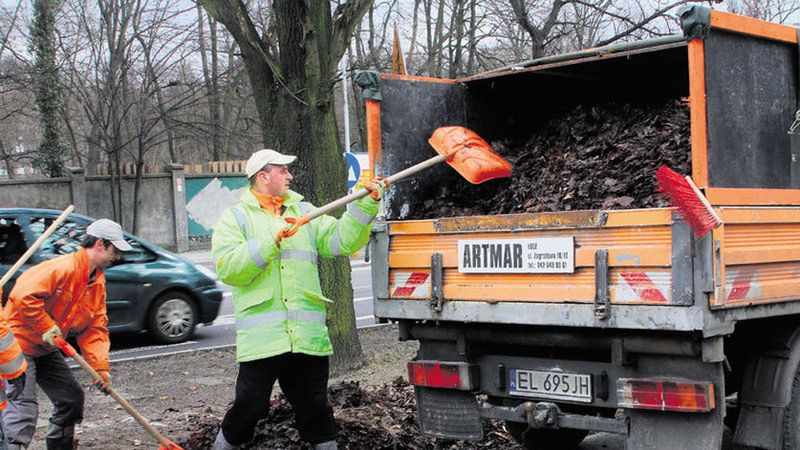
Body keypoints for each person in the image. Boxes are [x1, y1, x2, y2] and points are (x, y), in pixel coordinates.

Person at [211, 149, 387, 450]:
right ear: (263, 177)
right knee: (249, 407)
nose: (290, 175)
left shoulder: (304, 211)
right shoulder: (235, 218)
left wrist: (365, 205)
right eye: (283, 170)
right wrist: (270, 239)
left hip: (306, 337)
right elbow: (228, 269)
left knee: (316, 409)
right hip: (264, 339)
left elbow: (341, 241)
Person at [2, 219, 131, 450]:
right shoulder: (62, 268)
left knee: (71, 398)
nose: (117, 256)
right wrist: (45, 326)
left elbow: (94, 328)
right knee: (23, 409)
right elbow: (23, 295)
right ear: (100, 244)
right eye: (115, 250)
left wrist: (100, 368)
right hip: (18, 345)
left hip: (46, 347)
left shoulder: (96, 283)